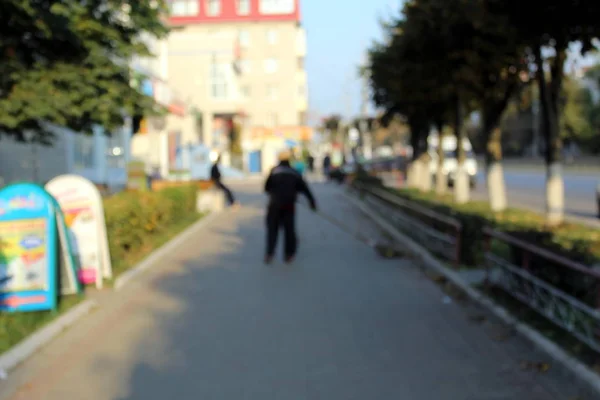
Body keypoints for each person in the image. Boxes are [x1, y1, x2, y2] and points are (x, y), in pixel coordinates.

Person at [264, 150, 317, 264]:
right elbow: (304, 188)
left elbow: (266, 188)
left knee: (272, 229)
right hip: (289, 205)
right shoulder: (294, 172)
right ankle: (289, 255)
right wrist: (312, 202)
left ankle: (269, 253)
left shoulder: (274, 171)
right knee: (289, 230)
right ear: (289, 160)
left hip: (274, 205)